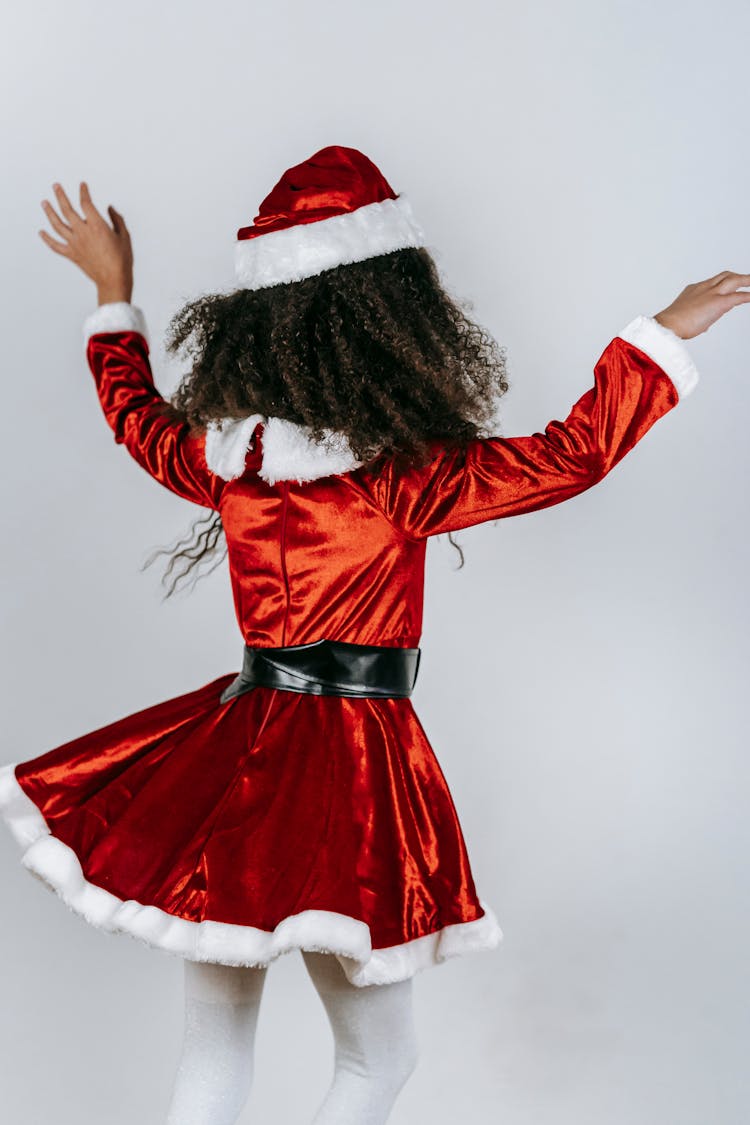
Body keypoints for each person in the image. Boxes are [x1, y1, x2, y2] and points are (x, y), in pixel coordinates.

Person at [1, 145, 747, 1125]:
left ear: (258, 327)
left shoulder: (229, 465)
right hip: (353, 774)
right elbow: (574, 454)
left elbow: (134, 417)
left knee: (216, 1051)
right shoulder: (405, 476)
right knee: (378, 1062)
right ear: (394, 322)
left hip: (233, 761)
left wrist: (113, 296)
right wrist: (660, 334)